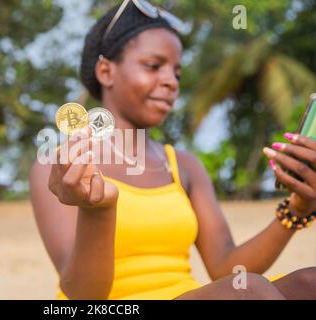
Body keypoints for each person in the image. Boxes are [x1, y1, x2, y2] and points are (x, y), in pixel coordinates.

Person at [30, 0, 316, 300]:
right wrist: (97, 209)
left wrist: (296, 209)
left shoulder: (183, 165)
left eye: (177, 73)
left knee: (310, 282)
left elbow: (228, 269)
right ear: (105, 71)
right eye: (153, 66)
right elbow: (84, 295)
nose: (170, 82)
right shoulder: (60, 166)